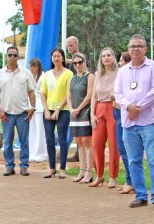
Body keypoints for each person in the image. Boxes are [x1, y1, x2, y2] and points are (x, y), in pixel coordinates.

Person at [114, 34, 154, 210]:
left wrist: (138, 107)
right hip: (129, 124)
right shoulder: (122, 71)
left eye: (139, 46)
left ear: (145, 49)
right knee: (134, 161)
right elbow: (118, 93)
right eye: (132, 46)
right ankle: (141, 195)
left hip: (149, 122)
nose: (135, 49)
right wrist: (129, 106)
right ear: (128, 49)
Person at [0, 46, 36, 177]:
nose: (12, 57)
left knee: (24, 141)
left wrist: (32, 108)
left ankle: (24, 166)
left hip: (23, 114)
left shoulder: (26, 73)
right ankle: (9, 166)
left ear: (18, 57)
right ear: (6, 56)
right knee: (7, 142)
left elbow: (31, 91)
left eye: (14, 55)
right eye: (9, 55)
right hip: (7, 115)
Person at [41, 47, 74, 178]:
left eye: (58, 56)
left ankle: (62, 169)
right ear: (51, 58)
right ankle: (52, 168)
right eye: (54, 56)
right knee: (49, 140)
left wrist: (59, 108)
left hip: (63, 111)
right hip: (49, 111)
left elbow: (68, 93)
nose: (56, 58)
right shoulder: (47, 74)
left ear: (63, 58)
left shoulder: (68, 74)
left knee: (62, 139)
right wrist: (46, 110)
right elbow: (43, 93)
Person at [90, 47, 120, 188]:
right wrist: (92, 114)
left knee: (114, 145)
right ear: (101, 59)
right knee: (96, 143)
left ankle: (113, 176)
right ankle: (99, 175)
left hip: (113, 108)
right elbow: (94, 96)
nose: (106, 58)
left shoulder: (119, 73)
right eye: (103, 56)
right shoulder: (98, 74)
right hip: (99, 108)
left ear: (113, 57)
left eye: (109, 55)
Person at [67, 53, 95, 183]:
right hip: (74, 114)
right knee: (79, 142)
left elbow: (90, 95)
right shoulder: (71, 78)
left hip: (85, 112)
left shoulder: (90, 76)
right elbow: (68, 96)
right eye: (75, 63)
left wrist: (79, 109)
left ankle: (89, 172)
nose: (78, 65)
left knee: (87, 142)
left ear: (84, 62)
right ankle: (82, 171)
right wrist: (72, 109)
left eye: (80, 62)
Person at [114, 52, 134, 194]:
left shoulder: (127, 75)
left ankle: (131, 181)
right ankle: (130, 180)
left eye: (121, 61)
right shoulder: (121, 74)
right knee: (122, 148)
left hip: (125, 113)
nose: (119, 63)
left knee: (126, 149)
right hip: (118, 112)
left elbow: (116, 95)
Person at [28, 58, 48, 163]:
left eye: (32, 66)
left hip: (40, 107)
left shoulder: (43, 77)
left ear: (37, 67)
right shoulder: (31, 77)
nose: (30, 68)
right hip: (31, 107)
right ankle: (33, 153)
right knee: (32, 131)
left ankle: (41, 153)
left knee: (40, 131)